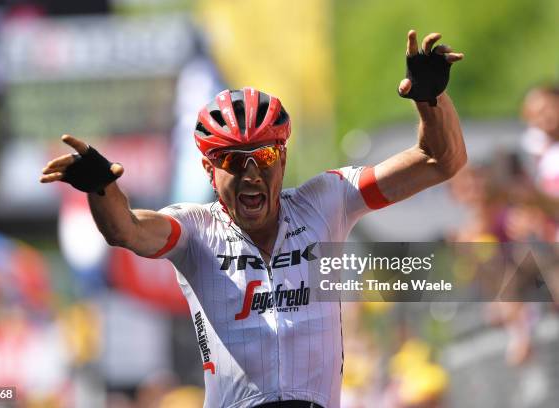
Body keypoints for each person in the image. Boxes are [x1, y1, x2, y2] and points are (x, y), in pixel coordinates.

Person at [40, 30, 466, 408]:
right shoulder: (194, 230)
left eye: (263, 156)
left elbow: (438, 161)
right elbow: (126, 229)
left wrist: (431, 100)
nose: (250, 173)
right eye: (231, 159)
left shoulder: (327, 199)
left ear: (282, 158)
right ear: (209, 170)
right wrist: (101, 188)